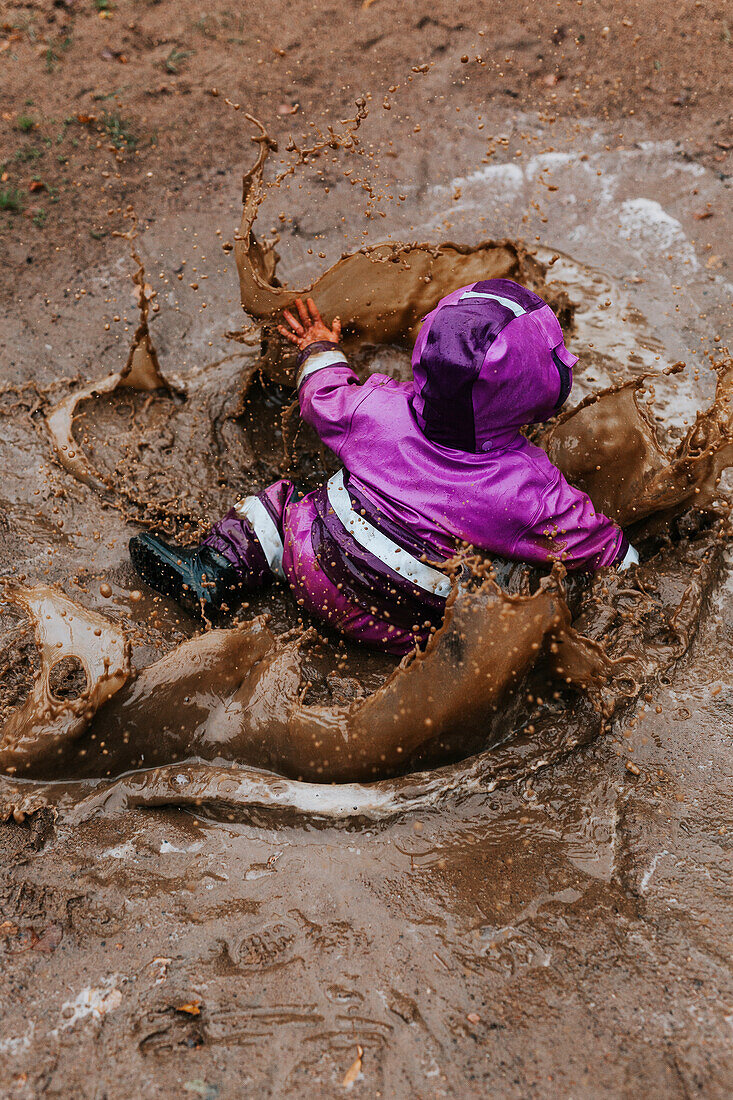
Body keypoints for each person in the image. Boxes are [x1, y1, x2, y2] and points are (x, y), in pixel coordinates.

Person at [129, 280, 638, 654]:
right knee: (507, 577)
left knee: (279, 505)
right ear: (543, 390)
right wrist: (634, 561)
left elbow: (320, 396)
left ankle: (214, 571)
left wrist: (320, 348)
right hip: (406, 623)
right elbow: (595, 545)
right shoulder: (531, 491)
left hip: (312, 565)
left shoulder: (375, 409)